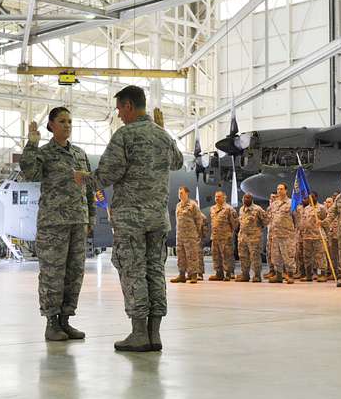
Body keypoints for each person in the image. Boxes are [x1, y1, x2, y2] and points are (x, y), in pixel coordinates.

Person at [75, 85, 182, 352]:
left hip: (131, 221)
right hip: (158, 220)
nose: (119, 115)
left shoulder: (125, 136)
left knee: (133, 273)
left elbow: (106, 175)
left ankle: (138, 334)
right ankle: (154, 335)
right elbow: (178, 162)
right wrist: (164, 131)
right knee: (155, 273)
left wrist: (84, 179)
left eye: (120, 109)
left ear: (129, 106)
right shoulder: (162, 136)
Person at [19, 106, 95, 341]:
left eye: (70, 121)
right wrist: (31, 144)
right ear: (51, 125)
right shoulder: (43, 153)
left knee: (74, 274)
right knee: (53, 273)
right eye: (62, 121)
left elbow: (89, 188)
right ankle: (52, 322)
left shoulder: (80, 155)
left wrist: (90, 217)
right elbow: (30, 173)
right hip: (53, 224)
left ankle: (65, 320)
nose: (67, 125)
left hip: (77, 222)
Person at [172, 186, 205, 284]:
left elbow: (199, 220)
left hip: (190, 235)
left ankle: (193, 275)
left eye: (181, 192)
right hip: (180, 235)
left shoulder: (193, 205)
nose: (179, 194)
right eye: (179, 193)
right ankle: (182, 275)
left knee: (192, 255)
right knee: (181, 255)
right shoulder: (178, 205)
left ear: (187, 193)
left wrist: (195, 232)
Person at [267, 183, 297, 284]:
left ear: (286, 191)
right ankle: (279, 276)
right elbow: (271, 217)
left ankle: (290, 275)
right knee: (276, 256)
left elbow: (297, 218)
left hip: (287, 235)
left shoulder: (291, 203)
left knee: (288, 256)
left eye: (281, 189)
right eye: (278, 189)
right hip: (275, 235)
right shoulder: (274, 204)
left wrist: (293, 231)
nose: (279, 191)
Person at [297, 194, 329, 282]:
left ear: (316, 198)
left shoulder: (321, 208)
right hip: (307, 236)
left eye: (312, 197)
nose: (310, 199)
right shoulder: (306, 209)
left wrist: (321, 223)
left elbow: (326, 221)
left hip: (318, 236)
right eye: (309, 197)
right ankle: (308, 275)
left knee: (320, 256)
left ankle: (322, 274)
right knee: (307, 256)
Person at [236, 193, 267, 282]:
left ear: (252, 199)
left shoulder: (257, 209)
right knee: (243, 257)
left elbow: (265, 221)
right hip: (242, 238)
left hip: (254, 238)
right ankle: (245, 275)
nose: (246, 199)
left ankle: (257, 276)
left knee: (255, 257)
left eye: (248, 198)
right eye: (245, 198)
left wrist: (257, 230)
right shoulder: (242, 209)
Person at [208, 190, 238, 281]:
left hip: (226, 237)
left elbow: (235, 223)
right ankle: (219, 273)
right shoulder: (212, 209)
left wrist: (229, 232)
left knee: (227, 255)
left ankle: (228, 273)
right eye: (216, 196)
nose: (217, 198)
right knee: (216, 255)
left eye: (219, 196)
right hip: (215, 236)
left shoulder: (229, 209)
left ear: (224, 197)